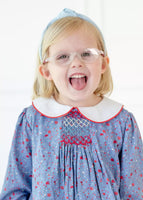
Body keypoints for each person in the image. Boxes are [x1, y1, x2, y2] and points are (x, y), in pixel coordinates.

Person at [0, 8, 143, 200]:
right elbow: (15, 190)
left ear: (103, 64)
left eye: (86, 54)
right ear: (46, 71)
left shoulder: (122, 122)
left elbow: (135, 192)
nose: (76, 63)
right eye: (62, 57)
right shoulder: (32, 120)